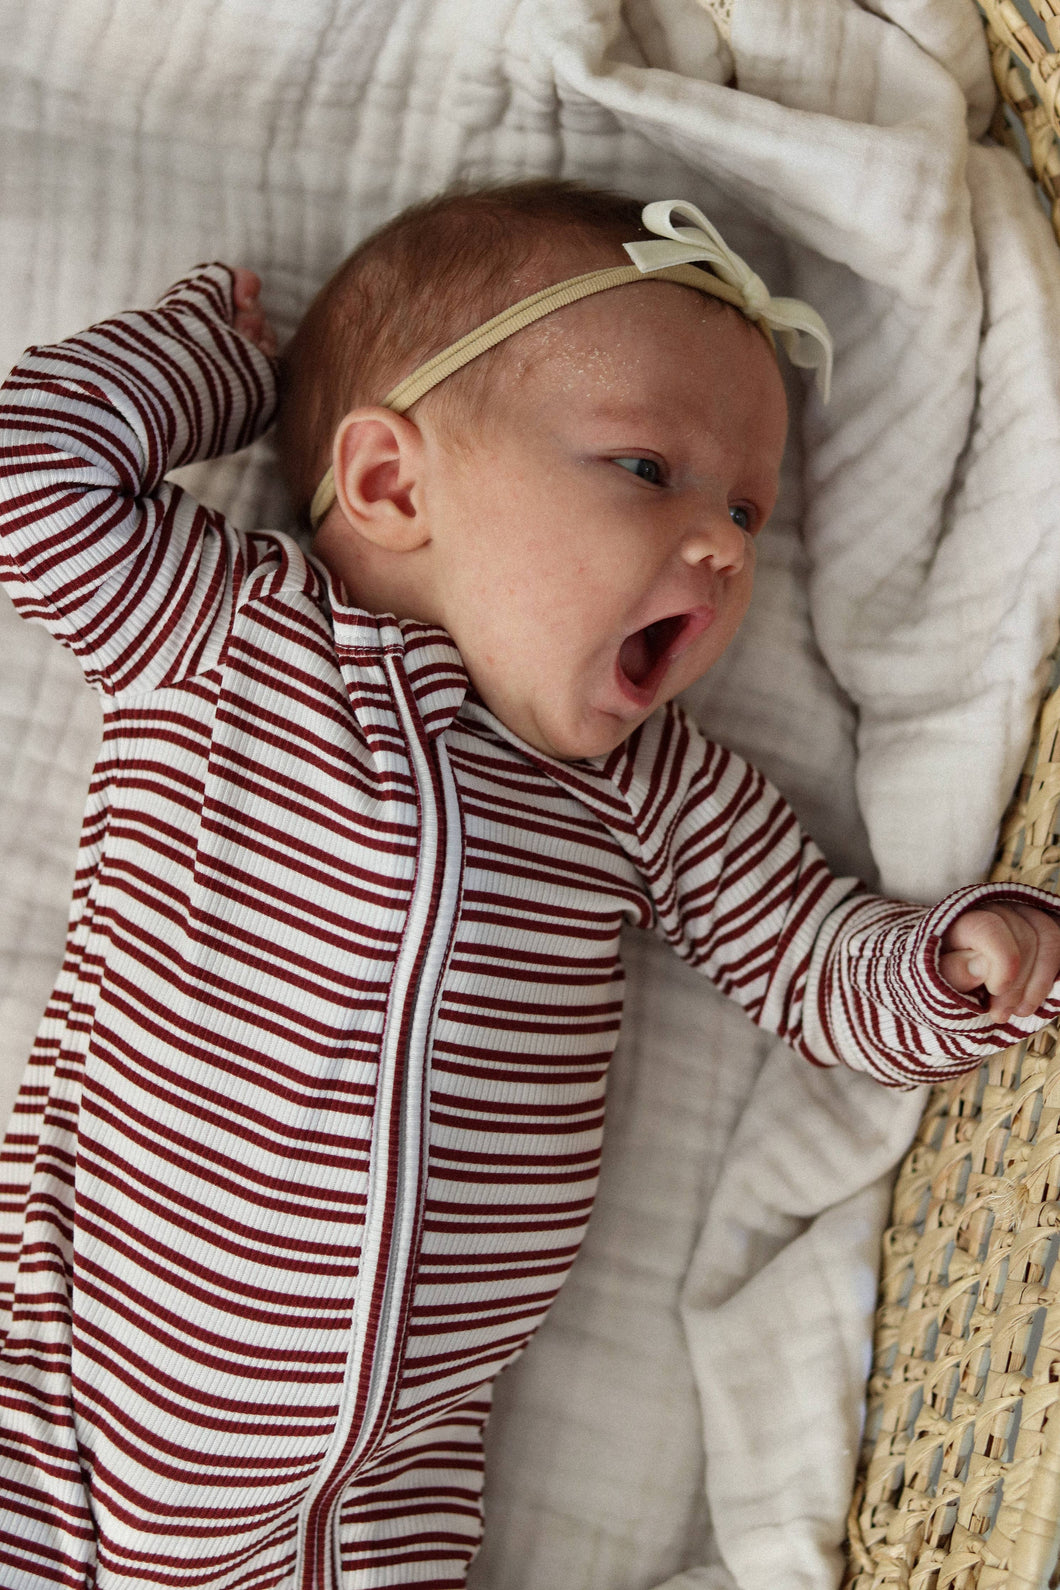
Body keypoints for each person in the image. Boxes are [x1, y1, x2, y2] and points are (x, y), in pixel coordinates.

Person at [0, 179, 1056, 1590]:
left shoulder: (651, 786)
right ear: (389, 483)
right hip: (84, 1400)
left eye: (749, 504)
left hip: (391, 1479)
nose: (730, 546)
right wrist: (221, 358)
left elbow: (806, 955)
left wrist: (946, 970)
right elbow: (35, 478)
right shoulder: (232, 635)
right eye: (646, 469)